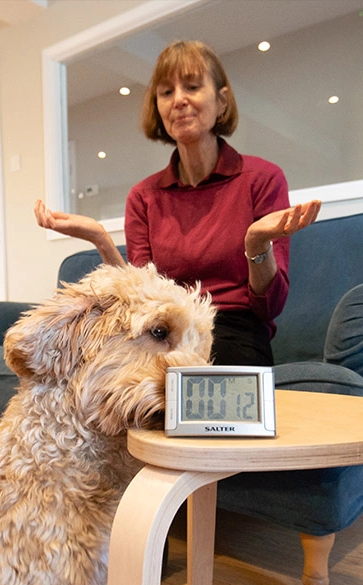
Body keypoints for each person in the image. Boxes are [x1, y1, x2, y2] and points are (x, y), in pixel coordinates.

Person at [35, 39, 320, 366]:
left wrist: (256, 242)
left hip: (233, 328)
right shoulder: (143, 196)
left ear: (222, 101)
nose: (179, 100)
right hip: (162, 331)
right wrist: (100, 237)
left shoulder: (262, 179)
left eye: (193, 87)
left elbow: (269, 308)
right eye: (166, 92)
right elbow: (140, 299)